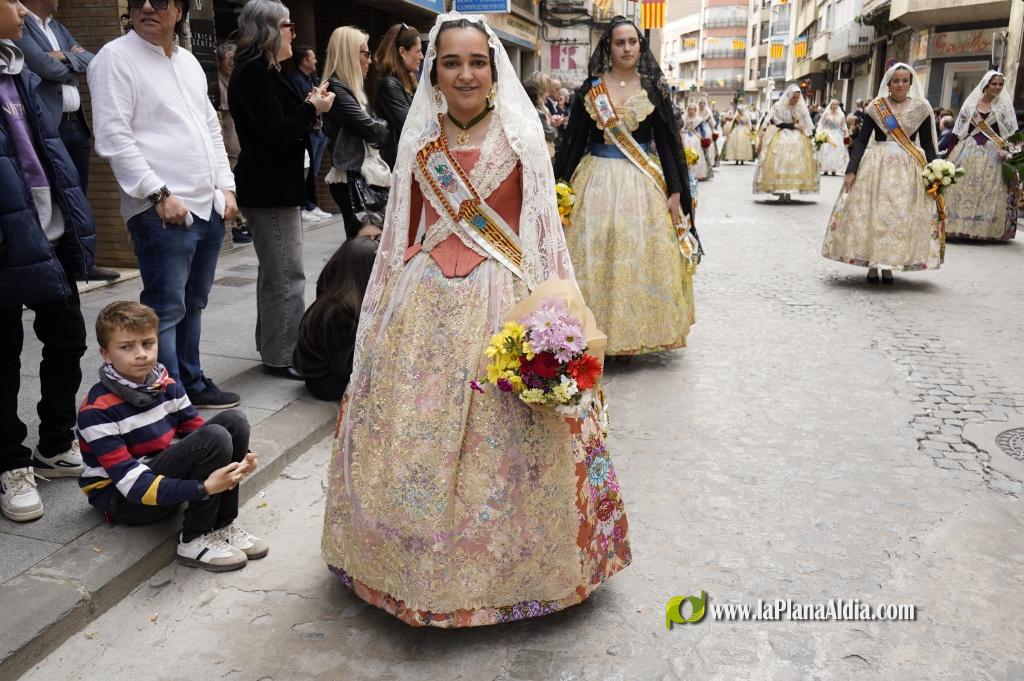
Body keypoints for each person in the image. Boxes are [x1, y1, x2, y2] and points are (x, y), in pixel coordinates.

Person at [321, 13, 631, 627]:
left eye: (476, 62)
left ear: (494, 69)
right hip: (424, 302)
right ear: (432, 71)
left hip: (502, 300)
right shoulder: (419, 142)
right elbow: (403, 230)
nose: (465, 74)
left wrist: (557, 322)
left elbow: (543, 239)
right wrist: (390, 299)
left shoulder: (522, 139)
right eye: (451, 62)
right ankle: (405, 565)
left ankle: (516, 569)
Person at [89, 0, 240, 408]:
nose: (146, 6)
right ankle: (167, 399)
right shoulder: (114, 58)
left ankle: (190, 381)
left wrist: (226, 187)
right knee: (166, 310)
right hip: (160, 210)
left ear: (179, 9)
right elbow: (113, 137)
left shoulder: (188, 61)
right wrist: (158, 193)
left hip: (206, 205)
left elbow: (210, 127)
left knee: (194, 303)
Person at [77, 301, 267, 572]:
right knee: (215, 436)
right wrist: (203, 488)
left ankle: (222, 525)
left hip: (158, 479)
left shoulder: (165, 385)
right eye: (126, 347)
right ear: (105, 354)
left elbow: (199, 433)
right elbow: (133, 487)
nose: (141, 354)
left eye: (148, 343)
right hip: (124, 500)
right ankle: (194, 538)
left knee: (234, 422)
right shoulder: (97, 410)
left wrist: (241, 461)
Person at [553, 16, 695, 357]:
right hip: (595, 181)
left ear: (640, 46)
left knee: (636, 252)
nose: (627, 48)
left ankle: (632, 333)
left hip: (641, 182)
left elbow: (668, 142)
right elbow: (574, 141)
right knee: (596, 252)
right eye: (620, 42)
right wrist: (559, 186)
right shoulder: (591, 89)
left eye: (633, 42)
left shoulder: (653, 89)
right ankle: (590, 332)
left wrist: (676, 191)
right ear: (609, 47)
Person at [0, 17, 96, 521]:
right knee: (3, 355)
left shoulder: (18, 68)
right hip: (6, 236)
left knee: (67, 337)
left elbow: (46, 148)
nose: (21, 10)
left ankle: (56, 443)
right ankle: (9, 462)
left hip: (46, 228)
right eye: (11, 1)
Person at [229, 0, 333, 381]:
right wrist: (312, 109)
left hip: (276, 186)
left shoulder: (268, 71)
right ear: (270, 30)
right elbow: (275, 133)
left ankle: (272, 346)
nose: (294, 33)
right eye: (289, 26)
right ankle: (284, 354)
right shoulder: (253, 73)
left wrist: (310, 106)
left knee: (276, 273)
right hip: (268, 188)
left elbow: (283, 122)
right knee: (288, 274)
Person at [14, 0, 121, 282]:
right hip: (50, 126)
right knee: (56, 196)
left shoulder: (59, 28)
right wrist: (70, 62)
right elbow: (43, 67)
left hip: (77, 125)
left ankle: (82, 262)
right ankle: (60, 265)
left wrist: (60, 56)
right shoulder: (20, 25)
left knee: (79, 195)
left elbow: (93, 61)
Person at [821, 62, 941, 283]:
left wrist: (936, 171)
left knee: (899, 217)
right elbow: (861, 141)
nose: (900, 85)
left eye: (904, 81)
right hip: (877, 166)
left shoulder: (921, 109)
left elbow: (927, 144)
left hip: (908, 169)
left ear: (911, 83)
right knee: (874, 215)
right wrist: (851, 169)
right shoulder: (876, 108)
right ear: (888, 83)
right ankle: (872, 264)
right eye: (896, 81)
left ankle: (889, 265)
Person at [322, 26, 389, 238]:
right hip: (353, 178)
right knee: (366, 243)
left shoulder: (350, 90)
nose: (370, 61)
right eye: (366, 54)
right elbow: (374, 129)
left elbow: (375, 127)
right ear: (350, 54)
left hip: (361, 176)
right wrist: (379, 127)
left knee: (372, 242)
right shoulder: (336, 89)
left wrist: (378, 127)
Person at [293, 236, 378, 401]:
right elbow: (347, 366)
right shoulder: (340, 311)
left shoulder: (339, 295)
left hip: (328, 372)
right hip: (325, 381)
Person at [944, 71, 1019, 241]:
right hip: (968, 149)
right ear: (986, 84)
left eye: (1000, 84)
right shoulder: (970, 105)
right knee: (962, 186)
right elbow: (958, 131)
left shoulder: (1004, 108)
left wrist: (1011, 153)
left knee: (990, 189)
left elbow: (1010, 134)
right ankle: (958, 225)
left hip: (993, 152)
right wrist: (949, 154)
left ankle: (984, 228)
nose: (997, 87)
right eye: (994, 84)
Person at [287, 45, 333, 224]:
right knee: (305, 171)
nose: (315, 61)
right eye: (312, 57)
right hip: (307, 131)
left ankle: (311, 204)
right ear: (304, 60)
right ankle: (303, 206)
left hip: (318, 129)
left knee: (314, 170)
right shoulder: (295, 79)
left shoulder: (312, 78)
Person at [753, 84, 819, 202]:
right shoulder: (779, 106)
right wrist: (794, 125)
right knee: (779, 161)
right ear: (789, 95)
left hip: (798, 137)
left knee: (796, 162)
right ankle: (780, 191)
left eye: (798, 98)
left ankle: (790, 192)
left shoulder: (800, 107)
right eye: (794, 97)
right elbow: (777, 122)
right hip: (782, 134)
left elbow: (808, 122)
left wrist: (814, 135)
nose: (796, 100)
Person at [370, 23, 422, 169]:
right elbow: (413, 126)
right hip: (398, 167)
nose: (422, 56)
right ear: (402, 52)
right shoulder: (390, 85)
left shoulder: (408, 82)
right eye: (418, 51)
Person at [217, 41, 252, 245]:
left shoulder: (237, 79)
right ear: (220, 61)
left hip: (239, 142)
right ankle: (235, 227)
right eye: (228, 59)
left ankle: (242, 224)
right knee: (230, 187)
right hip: (227, 142)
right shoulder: (217, 82)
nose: (232, 63)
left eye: (234, 59)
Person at [816, 99, 850, 176]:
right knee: (826, 152)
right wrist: (819, 133)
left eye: (836, 104)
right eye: (833, 104)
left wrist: (846, 135)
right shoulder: (826, 114)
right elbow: (821, 124)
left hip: (837, 136)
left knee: (836, 153)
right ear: (830, 105)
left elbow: (844, 126)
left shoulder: (841, 115)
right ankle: (825, 169)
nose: (835, 106)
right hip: (827, 135)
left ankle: (834, 169)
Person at [525, 78, 555, 155]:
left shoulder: (522, 110)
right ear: (536, 95)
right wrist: (552, 124)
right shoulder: (539, 114)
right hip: (540, 151)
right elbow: (550, 135)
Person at [681, 102, 711, 180]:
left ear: (695, 110)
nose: (691, 111)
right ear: (687, 110)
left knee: (696, 154)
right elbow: (680, 128)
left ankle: (696, 174)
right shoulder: (683, 118)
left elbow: (703, 131)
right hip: (685, 137)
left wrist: (704, 139)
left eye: (693, 109)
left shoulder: (699, 120)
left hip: (695, 138)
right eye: (690, 109)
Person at [698, 97, 718, 168]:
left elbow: (711, 123)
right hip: (698, 130)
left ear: (705, 104)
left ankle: (708, 161)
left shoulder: (708, 112)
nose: (702, 104)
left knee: (709, 146)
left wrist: (713, 132)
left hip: (707, 130)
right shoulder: (697, 111)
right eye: (701, 103)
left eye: (703, 103)